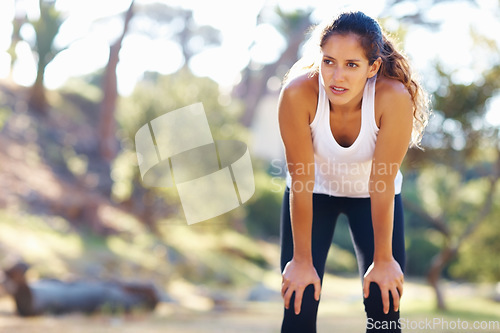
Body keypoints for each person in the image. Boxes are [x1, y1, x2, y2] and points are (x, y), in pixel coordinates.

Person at [278, 10, 430, 333]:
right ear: (319, 58)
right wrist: (302, 261)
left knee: (383, 309)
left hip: (372, 197)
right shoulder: (297, 94)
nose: (337, 76)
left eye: (351, 65)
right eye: (329, 61)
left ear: (373, 67)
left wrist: (385, 260)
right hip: (312, 193)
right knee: (299, 303)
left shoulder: (393, 98)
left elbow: (382, 182)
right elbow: (301, 180)